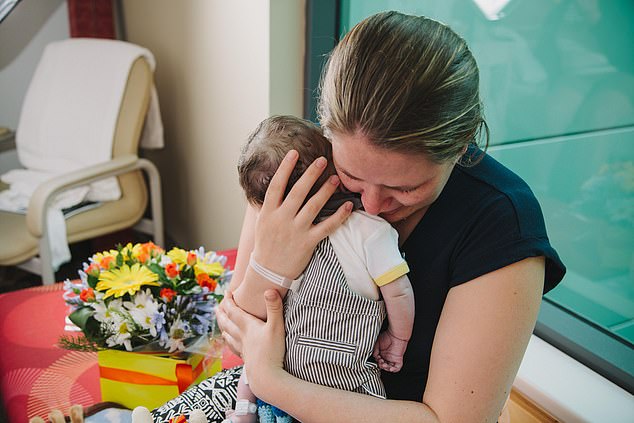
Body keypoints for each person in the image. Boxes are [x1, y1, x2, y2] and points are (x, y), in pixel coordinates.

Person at [152, 10, 566, 423]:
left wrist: (272, 380)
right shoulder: (301, 164)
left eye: (403, 189)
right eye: (350, 175)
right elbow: (237, 331)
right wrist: (271, 263)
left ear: (460, 147)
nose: (370, 205)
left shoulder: (501, 225)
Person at [225, 115, 414, 423]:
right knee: (256, 349)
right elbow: (399, 291)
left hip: (324, 395)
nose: (374, 201)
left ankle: (244, 409)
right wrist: (398, 337)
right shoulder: (368, 231)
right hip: (317, 379)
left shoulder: (363, 230)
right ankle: (245, 406)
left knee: (256, 355)